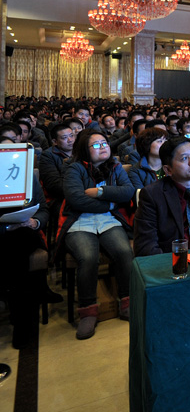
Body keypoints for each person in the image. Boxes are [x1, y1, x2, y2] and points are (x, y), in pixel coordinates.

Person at [57, 131, 135, 340]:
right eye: (97, 145)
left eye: (104, 143)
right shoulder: (74, 168)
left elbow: (128, 191)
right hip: (79, 221)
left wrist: (101, 192)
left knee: (124, 251)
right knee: (88, 257)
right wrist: (110, 203)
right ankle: (88, 311)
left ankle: (127, 302)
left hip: (109, 220)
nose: (103, 147)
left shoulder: (115, 166)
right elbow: (76, 200)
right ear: (85, 149)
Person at [0, 171, 48, 350]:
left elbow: (43, 209)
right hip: (3, 231)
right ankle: (20, 314)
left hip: (24, 230)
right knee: (13, 249)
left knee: (20, 242)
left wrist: (35, 222)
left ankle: (20, 317)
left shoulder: (25, 172)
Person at [127, 127, 168, 191]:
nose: (165, 144)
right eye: (160, 141)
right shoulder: (136, 171)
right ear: (147, 144)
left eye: (165, 141)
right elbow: (141, 194)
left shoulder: (172, 165)